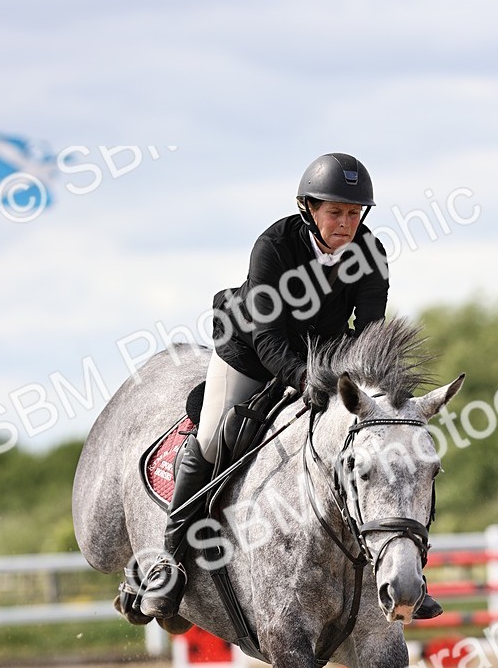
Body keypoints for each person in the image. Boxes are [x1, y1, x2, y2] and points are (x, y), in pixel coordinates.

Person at [138, 152, 443, 622]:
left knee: (381, 448)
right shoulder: (274, 247)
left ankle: (403, 574)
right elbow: (268, 339)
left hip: (327, 359)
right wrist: (306, 380)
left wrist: (360, 392)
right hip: (252, 353)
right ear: (309, 209)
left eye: (354, 213)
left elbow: (369, 333)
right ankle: (169, 563)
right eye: (335, 212)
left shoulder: (370, 253)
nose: (346, 222)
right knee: (215, 436)